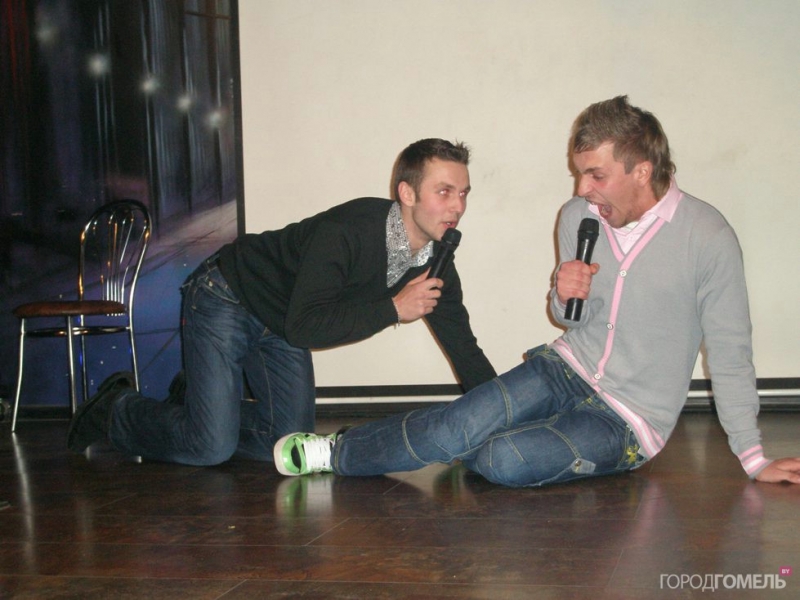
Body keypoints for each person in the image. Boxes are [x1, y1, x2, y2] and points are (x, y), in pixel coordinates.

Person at [274, 96, 800, 487]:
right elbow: (570, 319)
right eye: (579, 174)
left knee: (500, 458)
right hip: (562, 368)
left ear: (642, 170)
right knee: (459, 424)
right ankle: (334, 452)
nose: (581, 189)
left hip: (628, 418)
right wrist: (561, 295)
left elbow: (730, 350)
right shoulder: (578, 217)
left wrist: (753, 456)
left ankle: (472, 440)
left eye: (595, 175)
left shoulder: (707, 237)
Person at [67, 138, 496, 466]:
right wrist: (393, 309)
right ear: (407, 193)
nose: (458, 206)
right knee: (209, 448)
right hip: (228, 294)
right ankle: (114, 408)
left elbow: (464, 347)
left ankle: (193, 402)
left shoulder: (437, 261)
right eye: (444, 191)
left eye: (464, 193)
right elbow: (306, 327)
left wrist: (502, 413)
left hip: (282, 319)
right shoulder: (348, 231)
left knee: (289, 441)